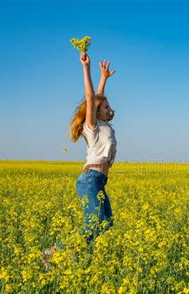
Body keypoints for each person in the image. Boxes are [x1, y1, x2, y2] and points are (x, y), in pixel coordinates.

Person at [69, 52, 117, 243]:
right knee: (94, 224)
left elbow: (97, 98)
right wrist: (86, 68)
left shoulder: (104, 126)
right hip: (91, 179)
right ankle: (54, 253)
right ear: (96, 112)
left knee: (106, 223)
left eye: (108, 105)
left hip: (99, 181)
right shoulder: (92, 127)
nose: (109, 108)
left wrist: (103, 78)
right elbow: (91, 98)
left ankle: (85, 257)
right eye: (105, 107)